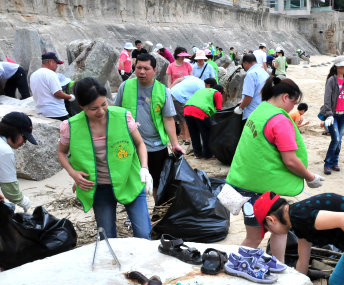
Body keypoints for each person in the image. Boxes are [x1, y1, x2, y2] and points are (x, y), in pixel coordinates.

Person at [226, 76, 325, 262]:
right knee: (255, 237)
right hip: (259, 190)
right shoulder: (279, 120)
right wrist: (310, 177)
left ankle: (278, 266)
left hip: (244, 181)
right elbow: (290, 160)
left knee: (281, 227)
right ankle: (236, 265)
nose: (292, 109)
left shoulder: (260, 110)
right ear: (286, 97)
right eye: (293, 103)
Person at [58, 78, 153, 239]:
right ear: (82, 106)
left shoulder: (123, 117)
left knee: (144, 234)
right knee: (107, 238)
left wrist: (144, 168)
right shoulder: (71, 126)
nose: (101, 111)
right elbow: (61, 153)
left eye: (104, 104)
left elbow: (140, 144)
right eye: (93, 108)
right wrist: (73, 173)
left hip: (128, 180)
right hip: (99, 186)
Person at [114, 53, 184, 198]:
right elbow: (116, 113)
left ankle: (158, 210)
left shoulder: (162, 90)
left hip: (155, 145)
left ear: (155, 70)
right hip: (130, 144)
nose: (141, 72)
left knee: (158, 182)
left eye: (146, 68)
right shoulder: (125, 86)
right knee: (132, 182)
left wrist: (175, 143)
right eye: (138, 67)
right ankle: (133, 214)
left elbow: (168, 119)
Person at [320, 56, 344, 175]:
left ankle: (335, 162)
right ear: (338, 67)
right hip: (333, 115)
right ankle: (328, 163)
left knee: (339, 140)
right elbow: (327, 99)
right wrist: (329, 114)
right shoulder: (331, 80)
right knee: (335, 139)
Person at [0, 112, 37, 213]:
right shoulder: (4, 150)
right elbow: (10, 190)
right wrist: (24, 201)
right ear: (15, 132)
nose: (24, 143)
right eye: (24, 138)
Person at [184, 84, 224, 159]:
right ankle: (208, 155)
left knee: (194, 133)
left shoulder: (202, 90)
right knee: (206, 133)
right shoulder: (217, 93)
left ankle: (197, 154)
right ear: (221, 92)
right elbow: (219, 111)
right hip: (200, 111)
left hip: (187, 110)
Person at [30, 52, 74, 121]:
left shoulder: (33, 75)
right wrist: (70, 97)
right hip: (56, 113)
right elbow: (57, 93)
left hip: (41, 112)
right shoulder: (51, 74)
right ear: (50, 62)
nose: (57, 66)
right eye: (56, 63)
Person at [233, 54, 269, 124]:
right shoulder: (264, 72)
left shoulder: (251, 74)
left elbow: (248, 96)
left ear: (245, 63)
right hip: (263, 111)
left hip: (252, 114)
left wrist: (240, 108)